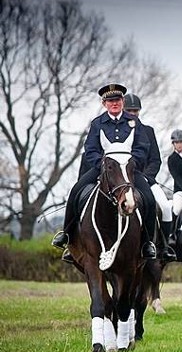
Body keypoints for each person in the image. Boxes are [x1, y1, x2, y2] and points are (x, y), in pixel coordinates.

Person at [52, 83, 158, 260]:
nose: (114, 103)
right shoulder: (97, 124)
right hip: (102, 170)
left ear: (122, 101)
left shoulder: (134, 123)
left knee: (148, 197)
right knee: (76, 191)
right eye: (110, 101)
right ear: (104, 103)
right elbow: (90, 149)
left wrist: (132, 163)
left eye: (117, 100)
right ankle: (67, 235)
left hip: (127, 170)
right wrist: (101, 166)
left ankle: (147, 243)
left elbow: (143, 147)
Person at [123, 93, 176, 261]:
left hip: (145, 179)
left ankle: (163, 247)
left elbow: (155, 159)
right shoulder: (116, 132)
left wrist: (147, 176)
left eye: (135, 110)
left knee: (166, 208)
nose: (132, 113)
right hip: (121, 181)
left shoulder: (148, 131)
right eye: (129, 110)